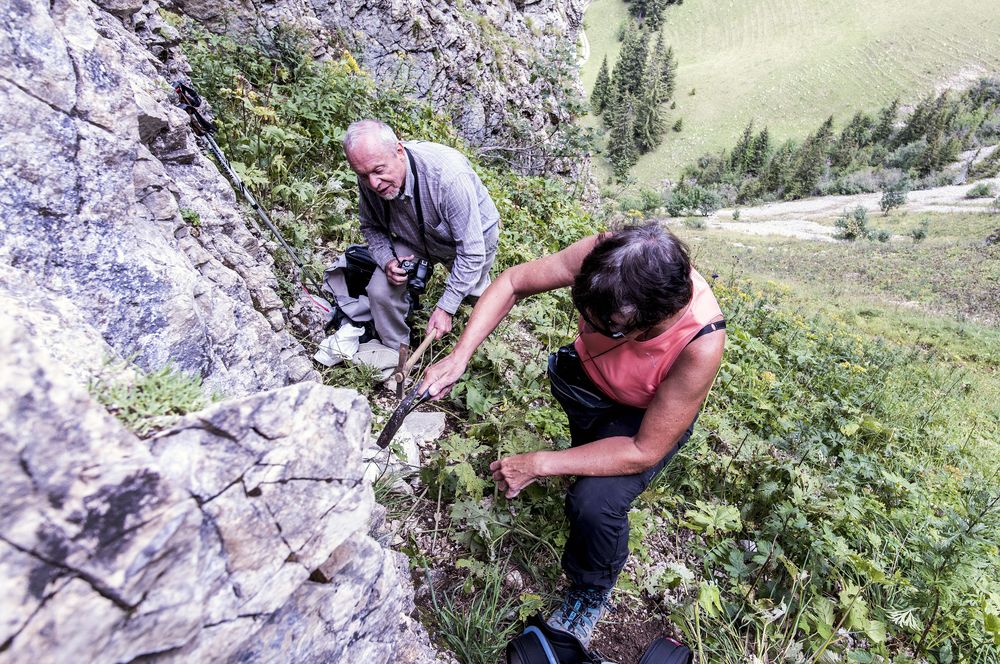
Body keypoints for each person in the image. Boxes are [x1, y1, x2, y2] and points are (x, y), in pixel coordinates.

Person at [419, 222, 726, 648]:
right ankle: (582, 462)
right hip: (588, 383)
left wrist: (540, 463)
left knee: (595, 503)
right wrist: (459, 356)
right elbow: (513, 282)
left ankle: (590, 591)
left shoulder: (699, 342)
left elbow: (643, 450)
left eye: (611, 328)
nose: (593, 328)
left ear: (657, 318)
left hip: (643, 418)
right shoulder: (611, 259)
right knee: (586, 458)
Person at [341, 119, 500, 350]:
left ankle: (476, 349)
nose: (373, 183)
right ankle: (397, 353)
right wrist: (387, 261)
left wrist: (446, 308)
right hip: (412, 234)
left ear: (399, 151)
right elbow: (370, 227)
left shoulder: (448, 177)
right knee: (380, 290)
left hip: (471, 240)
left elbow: (471, 252)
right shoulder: (369, 174)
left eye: (378, 171)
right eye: (363, 175)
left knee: (476, 295)